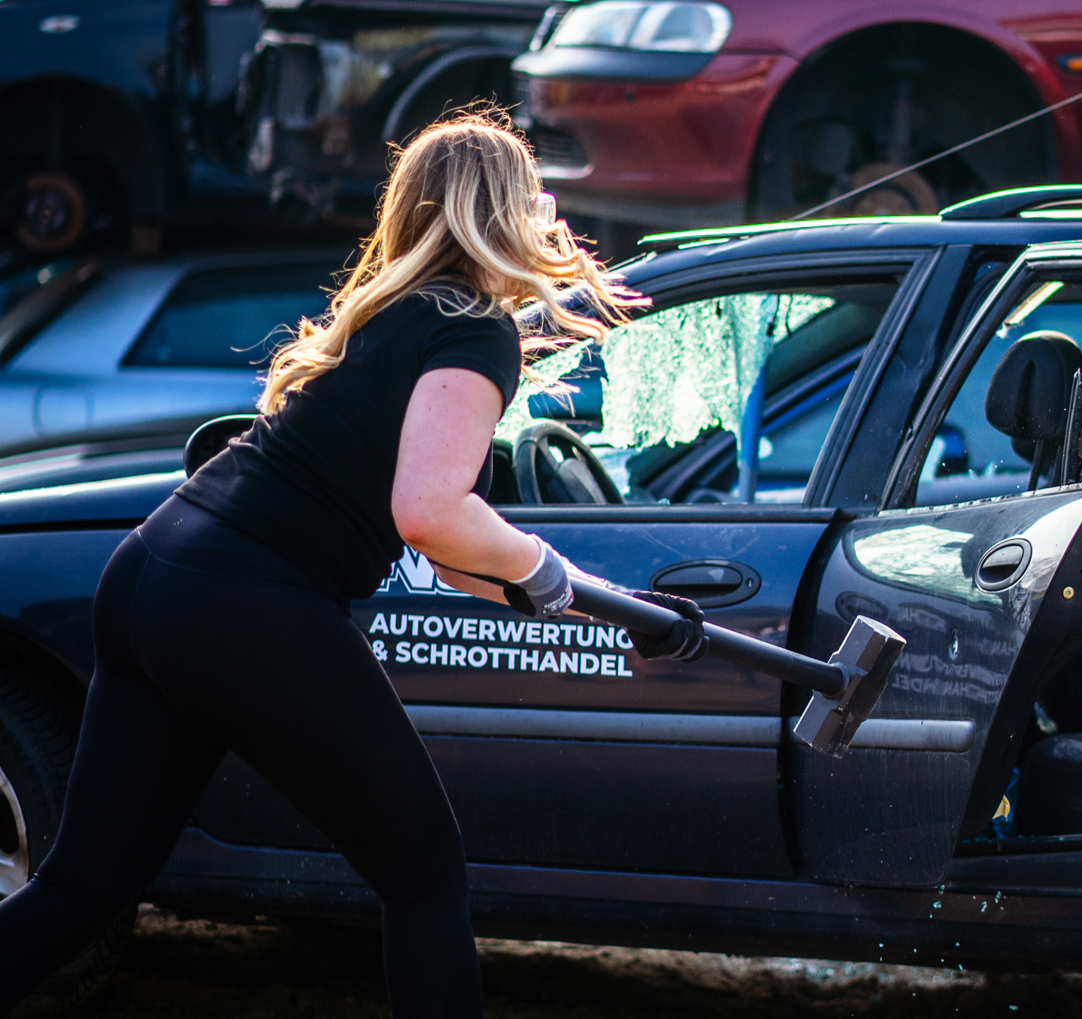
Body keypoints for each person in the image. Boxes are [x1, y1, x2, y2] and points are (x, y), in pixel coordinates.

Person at [0, 110, 707, 1018]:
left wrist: (602, 605)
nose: (549, 207)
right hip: (246, 603)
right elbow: (431, 512)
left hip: (153, 572)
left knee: (79, 887)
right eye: (534, 188)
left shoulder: (391, 316)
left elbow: (454, 550)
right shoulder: (474, 331)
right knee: (424, 875)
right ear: (495, 208)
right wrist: (541, 565)